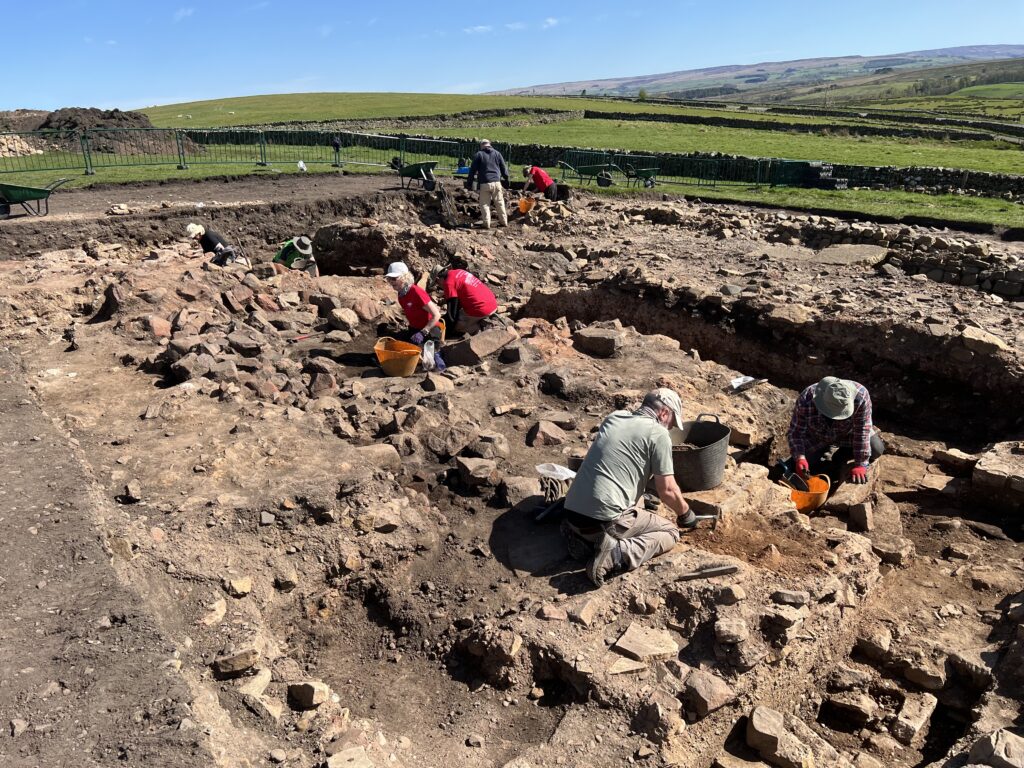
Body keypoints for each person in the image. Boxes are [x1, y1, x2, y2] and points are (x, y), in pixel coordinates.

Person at [561, 388, 697, 587]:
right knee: (669, 532)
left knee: (636, 502)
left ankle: (583, 540)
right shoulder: (659, 434)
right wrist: (686, 514)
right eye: (671, 423)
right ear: (664, 413)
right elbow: (667, 491)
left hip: (572, 514)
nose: (670, 428)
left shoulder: (614, 418)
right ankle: (615, 555)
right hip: (603, 521)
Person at [783, 376, 885, 485]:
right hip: (818, 437)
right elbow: (796, 432)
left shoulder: (861, 397)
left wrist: (861, 464)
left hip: (848, 434)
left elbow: (862, 431)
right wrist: (800, 457)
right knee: (800, 467)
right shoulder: (807, 398)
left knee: (876, 449)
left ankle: (840, 455)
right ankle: (823, 454)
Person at [384, 261, 445, 372]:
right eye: (389, 279)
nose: (391, 282)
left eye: (394, 278)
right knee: (405, 356)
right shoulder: (401, 295)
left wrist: (423, 332)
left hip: (430, 329)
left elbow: (436, 315)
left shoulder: (416, 292)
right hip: (415, 330)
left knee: (431, 364)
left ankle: (438, 362)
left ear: (404, 277)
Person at [431, 265, 498, 335]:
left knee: (458, 324)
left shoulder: (448, 283)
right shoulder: (459, 271)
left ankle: (479, 330)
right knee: (460, 313)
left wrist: (445, 331)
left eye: (437, 283)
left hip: (483, 308)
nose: (439, 286)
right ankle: (479, 320)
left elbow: (452, 315)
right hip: (492, 302)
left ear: (438, 278)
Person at [465, 139, 509, 229]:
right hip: (496, 182)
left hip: (485, 183)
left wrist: (469, 183)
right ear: (490, 144)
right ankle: (504, 222)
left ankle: (486, 223)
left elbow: (472, 170)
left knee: (485, 204)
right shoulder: (497, 153)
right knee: (500, 202)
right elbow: (503, 168)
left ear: (482, 145)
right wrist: (506, 178)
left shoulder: (479, 154)